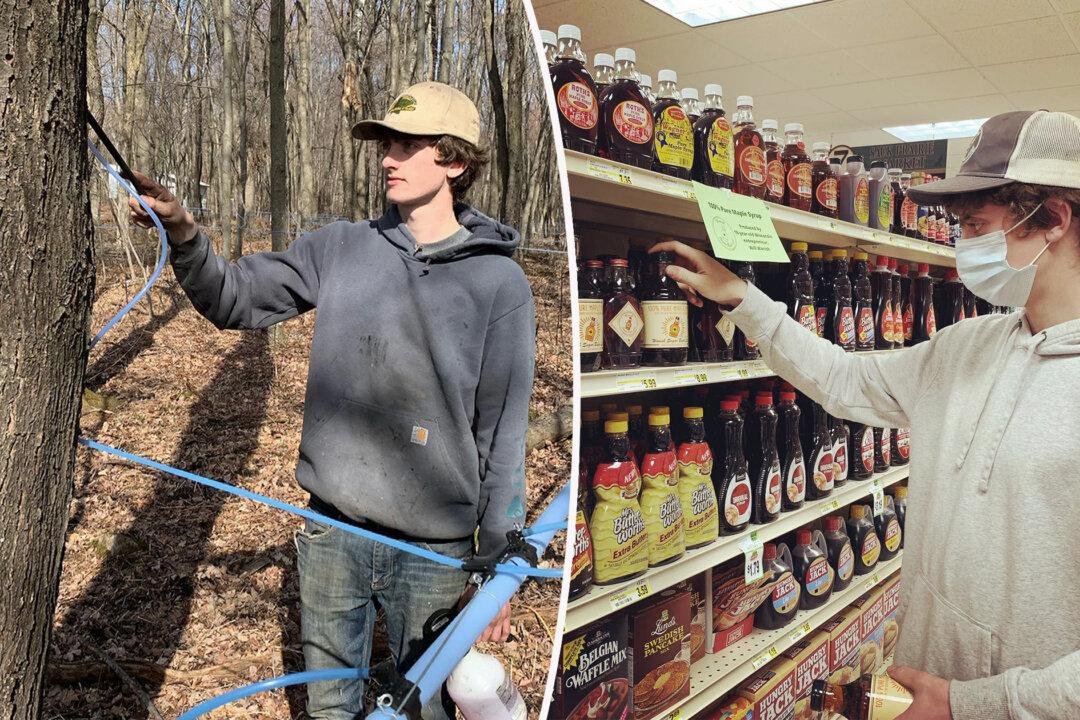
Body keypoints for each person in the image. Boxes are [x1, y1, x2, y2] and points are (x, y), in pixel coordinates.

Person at [652, 110, 1080, 720]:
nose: (963, 245)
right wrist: (745, 301)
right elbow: (846, 380)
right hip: (916, 691)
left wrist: (974, 704)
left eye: (977, 225)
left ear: (1053, 220)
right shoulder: (966, 346)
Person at [127, 81, 534, 720]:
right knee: (329, 710)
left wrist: (497, 569)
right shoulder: (341, 247)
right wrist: (183, 231)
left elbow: (503, 436)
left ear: (454, 161)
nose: (388, 159)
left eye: (407, 145)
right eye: (386, 144)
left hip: (435, 555)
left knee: (425, 710)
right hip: (333, 533)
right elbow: (235, 298)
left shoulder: (499, 283)